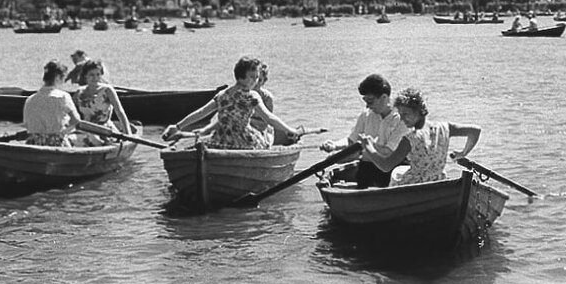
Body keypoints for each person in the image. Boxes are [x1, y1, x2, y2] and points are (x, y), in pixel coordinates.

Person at [162, 56, 301, 148]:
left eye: (257, 78)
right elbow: (269, 118)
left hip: (220, 140)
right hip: (243, 140)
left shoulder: (223, 94)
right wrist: (291, 130)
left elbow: (201, 113)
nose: (255, 81)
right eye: (252, 77)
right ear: (241, 76)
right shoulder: (250, 96)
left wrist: (178, 126)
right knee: (266, 142)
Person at [321, 73, 411, 187]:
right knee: (363, 172)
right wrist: (334, 146)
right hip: (367, 168)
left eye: (370, 101)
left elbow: (388, 152)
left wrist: (363, 148)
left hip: (392, 169)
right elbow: (352, 140)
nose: (367, 105)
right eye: (365, 100)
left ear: (384, 97)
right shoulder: (366, 114)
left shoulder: (402, 118)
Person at [389, 87, 480, 185]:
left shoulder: (410, 139)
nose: (402, 119)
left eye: (405, 114)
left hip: (415, 185)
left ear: (418, 111)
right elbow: (475, 131)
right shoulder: (444, 128)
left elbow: (385, 166)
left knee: (396, 173)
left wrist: (370, 150)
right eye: (400, 115)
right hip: (438, 181)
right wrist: (463, 153)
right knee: (400, 170)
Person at [23, 59, 84, 146]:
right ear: (58, 77)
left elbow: (27, 124)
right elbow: (76, 120)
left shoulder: (30, 99)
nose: (63, 82)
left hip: (33, 143)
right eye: (63, 78)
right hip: (55, 143)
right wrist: (65, 130)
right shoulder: (63, 97)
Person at [73, 59, 133, 143]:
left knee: (95, 140)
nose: (95, 78)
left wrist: (128, 134)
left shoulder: (107, 90)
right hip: (86, 129)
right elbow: (71, 114)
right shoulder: (79, 93)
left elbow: (120, 112)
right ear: (85, 75)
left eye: (98, 74)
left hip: (105, 131)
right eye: (92, 75)